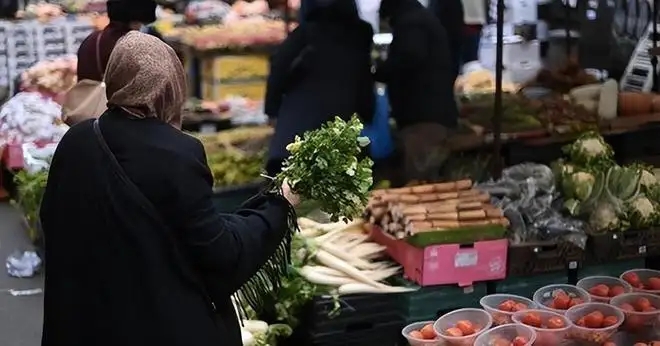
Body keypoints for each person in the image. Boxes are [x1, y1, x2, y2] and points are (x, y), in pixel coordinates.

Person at [40, 32, 299, 346]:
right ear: (171, 88)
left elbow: (56, 225)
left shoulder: (76, 141)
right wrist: (279, 206)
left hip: (81, 326)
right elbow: (220, 254)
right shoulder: (177, 153)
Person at [264, 0, 375, 176]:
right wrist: (368, 113)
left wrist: (272, 109)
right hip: (340, 128)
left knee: (291, 192)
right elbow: (364, 79)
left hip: (299, 129)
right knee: (339, 188)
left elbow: (279, 67)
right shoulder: (360, 34)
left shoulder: (306, 33)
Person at [377, 0, 459, 185]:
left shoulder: (412, 24)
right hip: (431, 115)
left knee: (421, 185)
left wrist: (380, 71)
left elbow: (408, 58)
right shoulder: (419, 19)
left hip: (424, 120)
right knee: (429, 184)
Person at [61, 0, 159, 126]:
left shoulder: (92, 40)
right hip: (121, 123)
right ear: (137, 19)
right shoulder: (133, 46)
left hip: (88, 121)